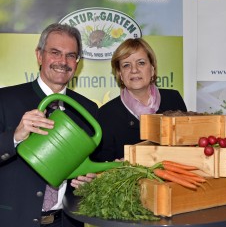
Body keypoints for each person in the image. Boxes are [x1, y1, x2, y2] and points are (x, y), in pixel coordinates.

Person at [0, 23, 98, 227]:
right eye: (55, 52)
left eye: (71, 55)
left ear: (77, 63)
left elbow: (91, 168)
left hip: (67, 222)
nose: (63, 61)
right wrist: (15, 137)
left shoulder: (88, 110)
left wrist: (91, 180)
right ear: (39, 55)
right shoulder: (5, 99)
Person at [90, 38, 187, 162]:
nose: (134, 70)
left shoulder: (173, 99)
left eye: (141, 63)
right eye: (126, 65)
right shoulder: (106, 114)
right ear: (120, 74)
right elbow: (102, 164)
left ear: (152, 69)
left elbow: (187, 148)